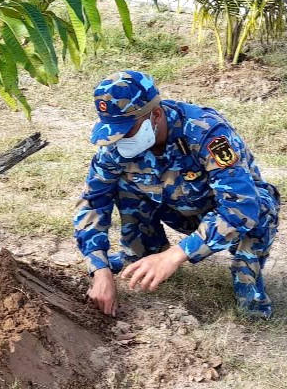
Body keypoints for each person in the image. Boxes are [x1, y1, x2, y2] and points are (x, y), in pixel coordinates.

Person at [75, 70, 280, 319]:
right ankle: (144, 255)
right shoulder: (115, 146)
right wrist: (100, 270)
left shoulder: (206, 131)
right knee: (122, 184)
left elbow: (241, 207)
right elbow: (93, 202)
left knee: (262, 205)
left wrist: (174, 256)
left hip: (222, 214)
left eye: (128, 130)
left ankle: (248, 280)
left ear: (156, 114)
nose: (120, 139)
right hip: (174, 209)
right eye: (114, 131)